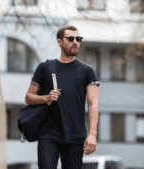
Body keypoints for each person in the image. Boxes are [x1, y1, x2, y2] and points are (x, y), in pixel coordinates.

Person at [25, 25, 100, 169]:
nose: (75, 42)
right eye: (70, 38)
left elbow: (93, 103)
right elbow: (28, 97)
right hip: (49, 134)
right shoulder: (45, 67)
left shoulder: (87, 71)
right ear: (60, 42)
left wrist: (92, 134)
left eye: (78, 39)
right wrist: (45, 98)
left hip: (76, 135)